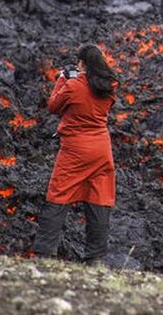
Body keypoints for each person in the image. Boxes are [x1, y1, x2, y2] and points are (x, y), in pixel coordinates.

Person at [31, 44, 119, 265]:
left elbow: (53, 105)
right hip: (101, 149)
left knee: (58, 195)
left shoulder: (73, 86)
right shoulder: (108, 86)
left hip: (75, 150)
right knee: (99, 198)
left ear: (82, 64)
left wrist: (63, 78)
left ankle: (45, 253)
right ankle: (95, 259)